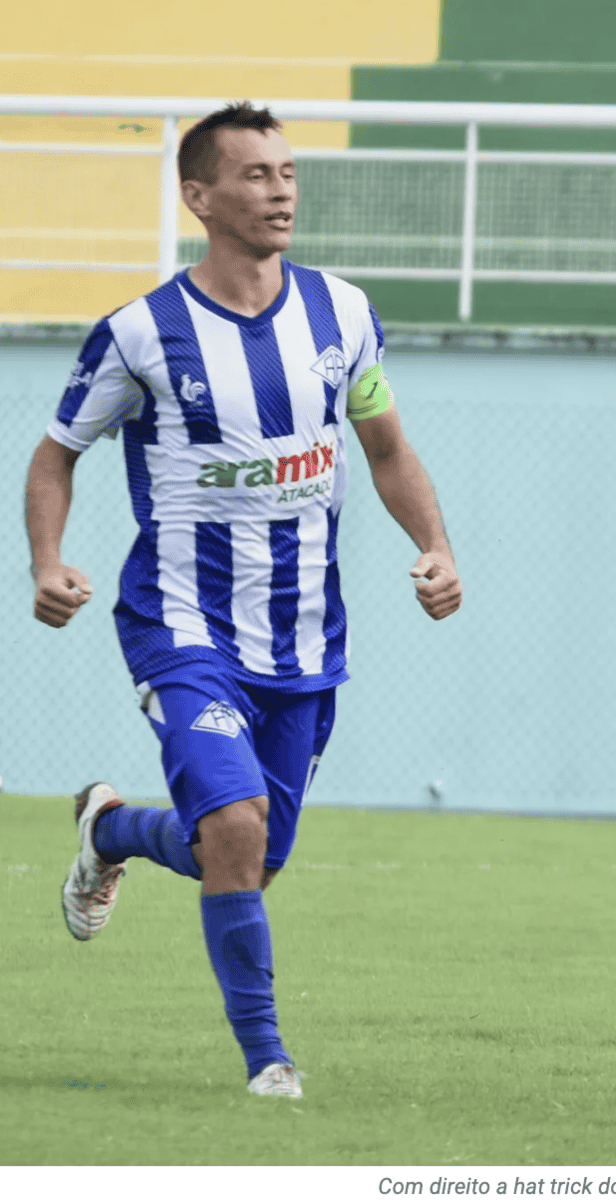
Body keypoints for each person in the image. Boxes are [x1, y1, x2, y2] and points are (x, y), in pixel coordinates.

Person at [25, 101, 462, 1099]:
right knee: (231, 821)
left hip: (305, 637)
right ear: (199, 197)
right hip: (181, 626)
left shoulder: (342, 315)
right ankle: (270, 1058)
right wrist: (48, 561)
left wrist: (435, 545)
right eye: (257, 175)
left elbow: (385, 447)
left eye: (289, 173)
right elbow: (57, 453)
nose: (282, 191)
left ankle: (110, 832)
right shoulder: (139, 335)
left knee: (250, 856)